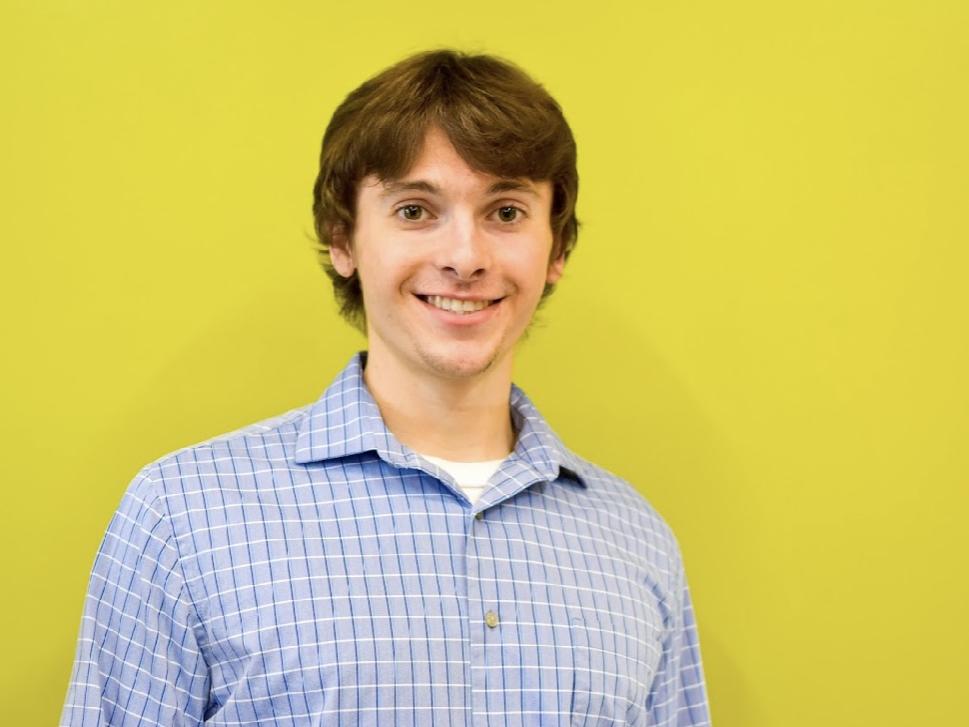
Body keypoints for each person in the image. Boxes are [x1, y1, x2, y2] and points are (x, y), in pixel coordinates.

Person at [61, 48, 711, 726]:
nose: (464, 257)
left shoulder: (635, 539)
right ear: (342, 238)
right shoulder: (183, 516)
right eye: (414, 210)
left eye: (507, 212)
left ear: (557, 250)